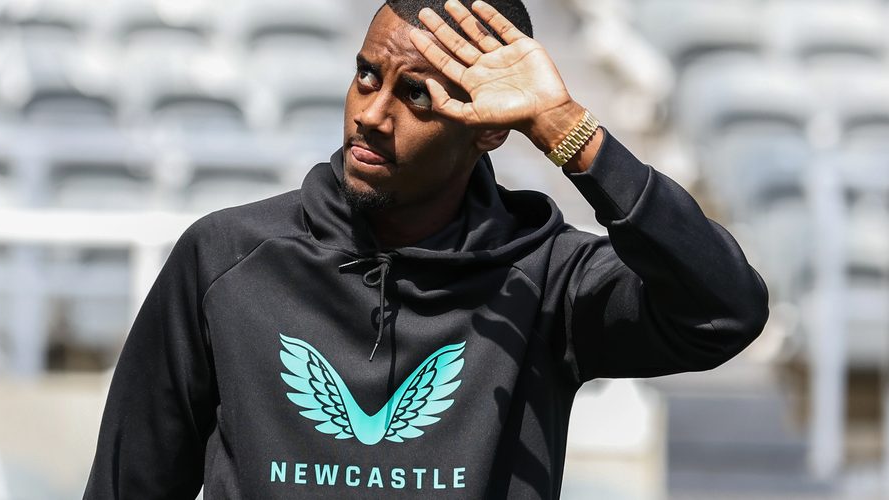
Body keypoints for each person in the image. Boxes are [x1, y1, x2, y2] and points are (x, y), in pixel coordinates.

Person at [84, 0, 769, 498]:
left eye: (417, 96)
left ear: (490, 130)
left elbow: (724, 310)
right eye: (365, 78)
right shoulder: (226, 258)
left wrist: (567, 128)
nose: (372, 116)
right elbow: (129, 484)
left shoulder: (550, 280)